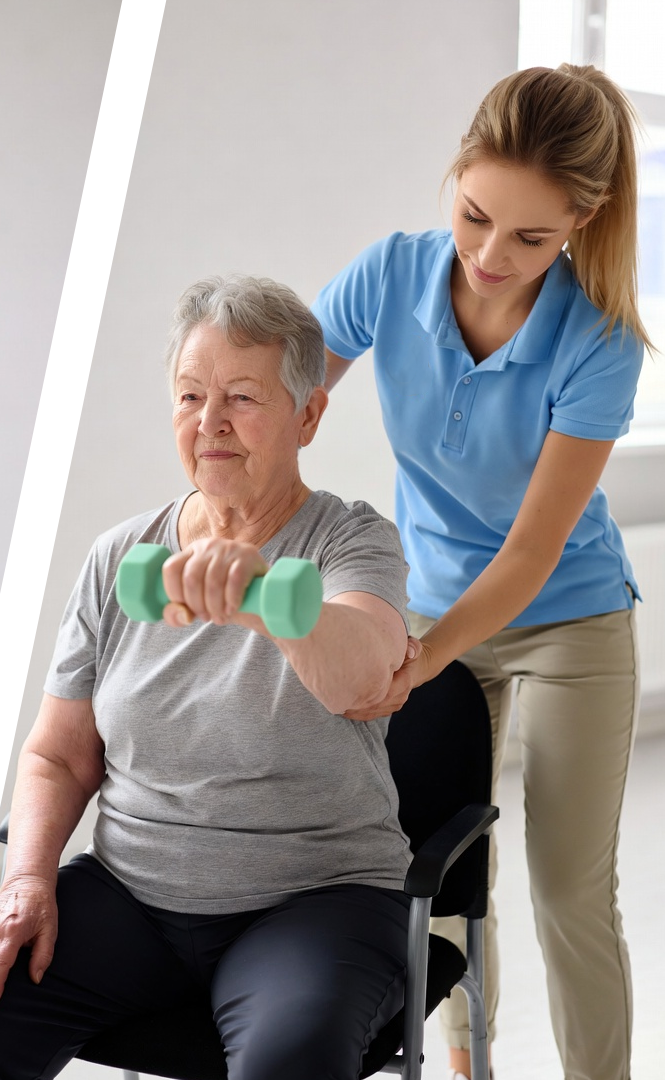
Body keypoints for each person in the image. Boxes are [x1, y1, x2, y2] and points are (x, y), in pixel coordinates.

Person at [0, 276, 417, 1080]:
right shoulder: (119, 556)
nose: (211, 423)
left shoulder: (352, 540)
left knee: (291, 1062)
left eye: (242, 396)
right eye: (191, 396)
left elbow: (362, 670)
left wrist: (260, 602)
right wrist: (27, 881)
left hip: (316, 900)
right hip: (131, 894)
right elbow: (58, 755)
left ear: (309, 416)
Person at [314, 64, 648, 1080]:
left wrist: (415, 657)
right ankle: (470, 1064)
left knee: (568, 894)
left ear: (582, 222)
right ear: (454, 176)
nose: (492, 256)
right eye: (474, 217)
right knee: (444, 875)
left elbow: (532, 553)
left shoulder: (600, 345)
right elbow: (292, 400)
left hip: (567, 625)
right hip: (426, 607)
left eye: (532, 238)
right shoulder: (391, 276)